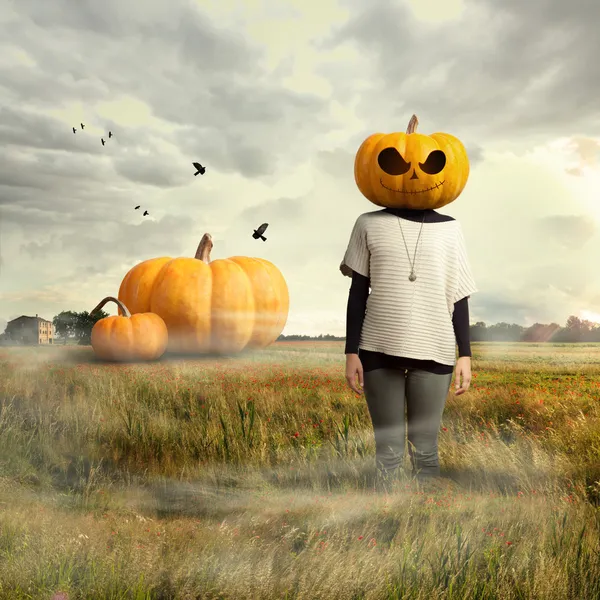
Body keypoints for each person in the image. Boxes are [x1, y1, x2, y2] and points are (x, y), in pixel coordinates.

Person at [340, 115, 478, 493]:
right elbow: (358, 292)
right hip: (378, 348)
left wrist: (464, 353)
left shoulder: (451, 229)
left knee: (426, 451)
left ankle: (423, 525)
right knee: (387, 453)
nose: (415, 171)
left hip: (434, 349)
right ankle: (385, 525)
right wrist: (352, 352)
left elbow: (459, 293)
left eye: (431, 164)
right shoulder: (367, 223)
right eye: (398, 164)